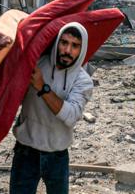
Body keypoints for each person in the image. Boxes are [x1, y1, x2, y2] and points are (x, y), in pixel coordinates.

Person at [10, 22, 94, 194]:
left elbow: (71, 116)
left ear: (82, 48)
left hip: (57, 157)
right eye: (64, 43)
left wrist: (42, 87)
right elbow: (14, 97)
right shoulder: (37, 64)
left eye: (75, 46)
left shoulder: (83, 81)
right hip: (26, 152)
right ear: (57, 43)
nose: (68, 51)